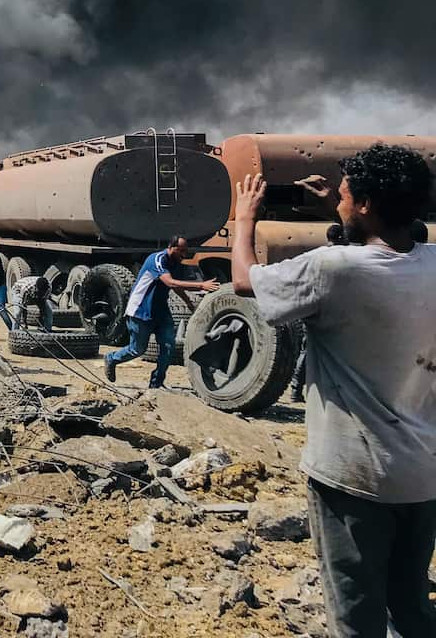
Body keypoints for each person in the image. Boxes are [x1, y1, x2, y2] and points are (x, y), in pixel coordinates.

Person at [233, 145, 436, 638]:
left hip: (355, 476)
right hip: (423, 474)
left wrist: (244, 219)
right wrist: (339, 210)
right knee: (410, 606)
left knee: (356, 612)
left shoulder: (329, 269)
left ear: (365, 204)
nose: (338, 201)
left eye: (345, 196)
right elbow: (382, 254)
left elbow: (243, 281)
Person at [105, 237, 219, 387]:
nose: (184, 254)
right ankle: (112, 358)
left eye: (185, 251)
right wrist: (201, 286)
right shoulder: (157, 260)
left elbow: (177, 286)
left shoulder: (176, 263)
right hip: (141, 311)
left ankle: (156, 384)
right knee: (137, 350)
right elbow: (170, 282)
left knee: (168, 347)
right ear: (171, 247)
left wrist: (189, 303)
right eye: (181, 251)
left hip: (161, 311)